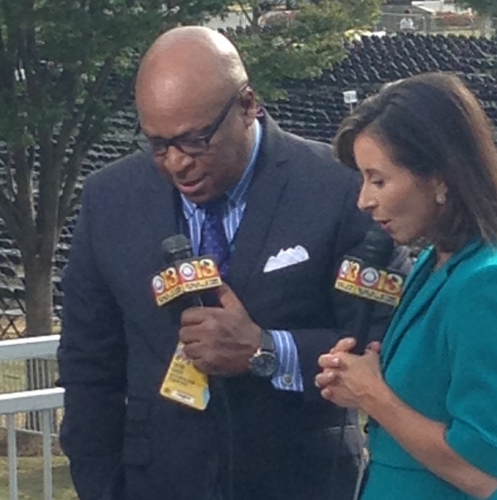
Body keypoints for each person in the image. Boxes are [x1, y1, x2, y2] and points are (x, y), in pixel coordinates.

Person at [56, 26, 388, 500]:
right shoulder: (110, 200)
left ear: (248, 104)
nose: (176, 163)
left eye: (194, 141)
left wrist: (267, 351)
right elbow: (88, 365)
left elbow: (381, 340)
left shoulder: (339, 189)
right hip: (157, 484)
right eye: (157, 144)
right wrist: (102, 487)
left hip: (302, 482)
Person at [314, 72, 497, 500]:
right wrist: (356, 383)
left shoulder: (493, 283)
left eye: (379, 180)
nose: (364, 200)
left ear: (441, 178)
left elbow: (481, 469)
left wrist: (372, 393)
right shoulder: (435, 263)